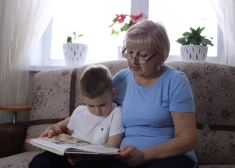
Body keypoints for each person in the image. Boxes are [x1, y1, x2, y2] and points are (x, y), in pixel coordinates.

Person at [31, 19, 198, 168]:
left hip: (167, 158)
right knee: (42, 162)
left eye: (143, 55)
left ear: (160, 56)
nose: (133, 61)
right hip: (123, 157)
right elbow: (97, 106)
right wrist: (59, 127)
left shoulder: (176, 81)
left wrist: (143, 155)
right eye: (129, 52)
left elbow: (187, 139)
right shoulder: (121, 79)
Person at [29, 65, 125, 168]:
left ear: (113, 94)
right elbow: (68, 138)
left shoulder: (116, 114)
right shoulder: (79, 112)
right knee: (39, 161)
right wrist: (55, 139)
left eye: (102, 105)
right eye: (91, 105)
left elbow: (111, 148)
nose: (97, 111)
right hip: (70, 158)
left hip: (93, 161)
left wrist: (83, 157)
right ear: (84, 100)